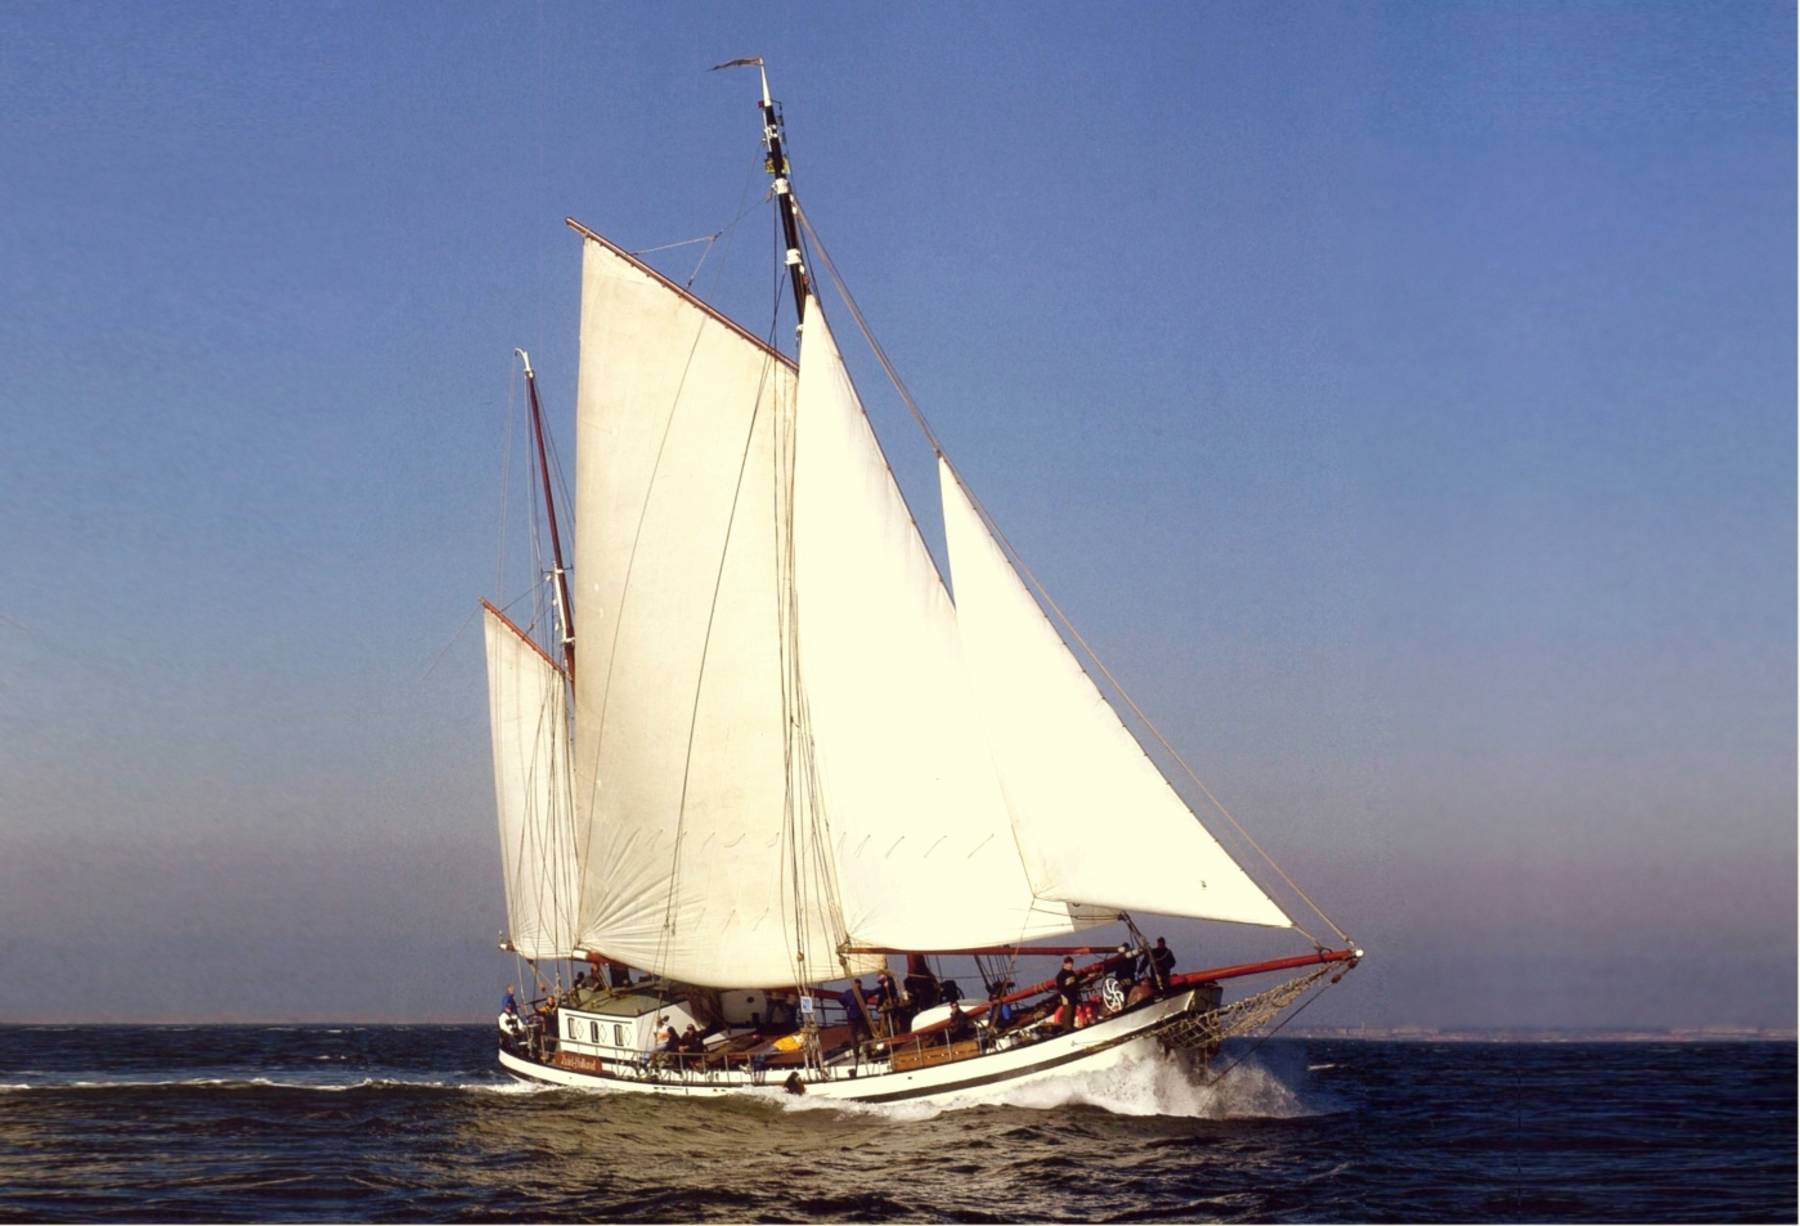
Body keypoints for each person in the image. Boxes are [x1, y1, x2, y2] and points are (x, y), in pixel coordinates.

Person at [1054, 956, 1080, 1033]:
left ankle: (1071, 1025)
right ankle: (1067, 1028)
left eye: (1071, 964)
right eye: (1068, 964)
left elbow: (1076, 983)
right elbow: (1061, 988)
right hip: (1066, 996)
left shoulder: (1072, 973)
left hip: (1074, 995)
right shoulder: (1061, 975)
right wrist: (1067, 996)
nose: (1070, 965)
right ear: (1064, 964)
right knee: (1068, 1010)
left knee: (1073, 1011)